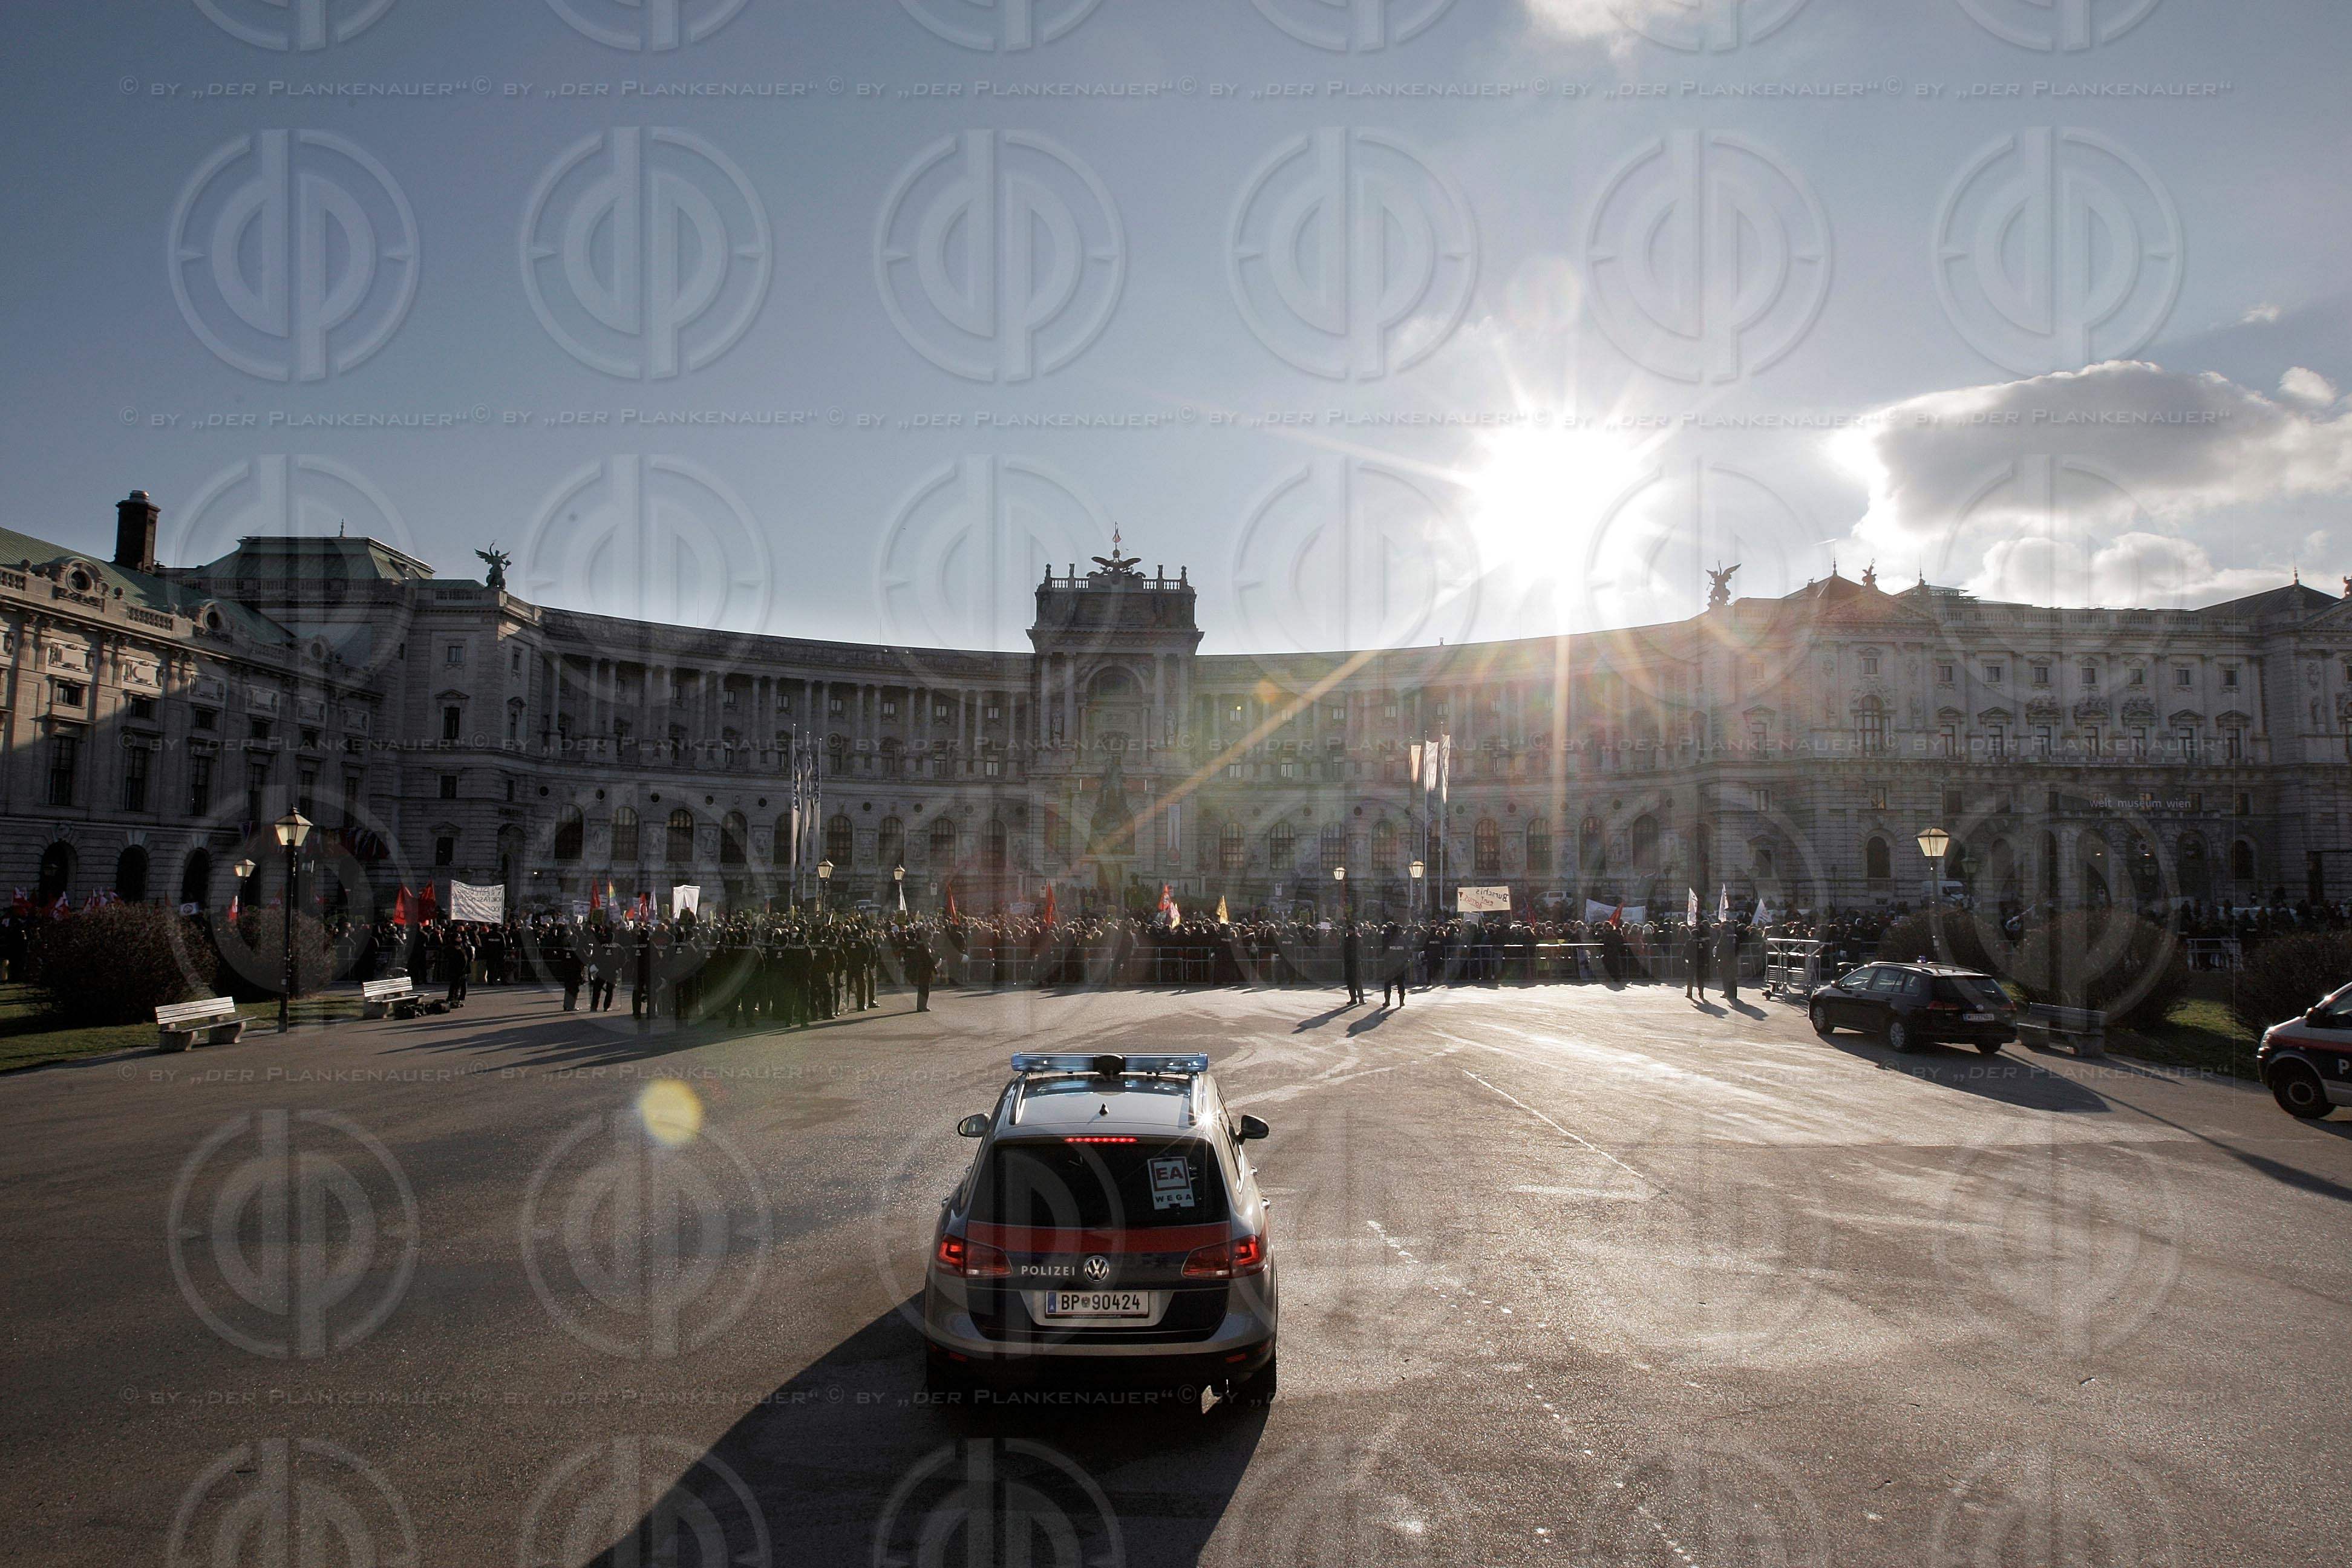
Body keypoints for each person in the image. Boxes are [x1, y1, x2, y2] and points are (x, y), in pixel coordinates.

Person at [1717, 918, 1741, 1006]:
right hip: (1734, 960)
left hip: (1725, 960)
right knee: (1733, 977)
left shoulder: (1724, 936)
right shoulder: (1735, 936)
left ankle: (1726, 993)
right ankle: (1734, 994)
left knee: (1725, 977)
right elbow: (1739, 947)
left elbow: (1720, 948)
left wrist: (1717, 958)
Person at [1686, 919, 1710, 1002]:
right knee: (1700, 979)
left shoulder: (1690, 941)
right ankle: (1701, 993)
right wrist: (1707, 962)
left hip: (1692, 962)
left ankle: (1689, 993)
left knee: (1690, 978)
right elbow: (1707, 953)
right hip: (1701, 963)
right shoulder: (1703, 942)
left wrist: (1684, 960)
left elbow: (1685, 952)